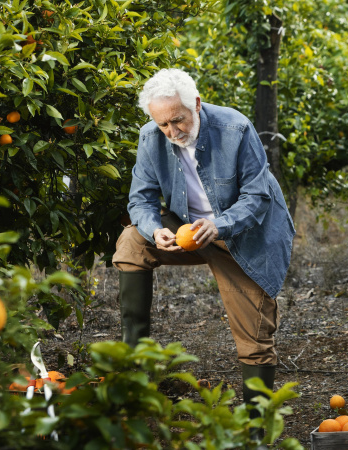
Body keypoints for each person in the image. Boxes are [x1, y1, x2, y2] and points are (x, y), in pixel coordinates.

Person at [112, 68, 294, 426]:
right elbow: (141, 200)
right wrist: (154, 230)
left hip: (242, 234)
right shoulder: (151, 137)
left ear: (195, 104)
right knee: (132, 241)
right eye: (163, 124)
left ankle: (256, 426)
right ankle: (134, 372)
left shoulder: (235, 128)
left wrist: (220, 225)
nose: (172, 132)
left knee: (254, 333)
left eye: (177, 121)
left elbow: (257, 196)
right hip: (187, 230)